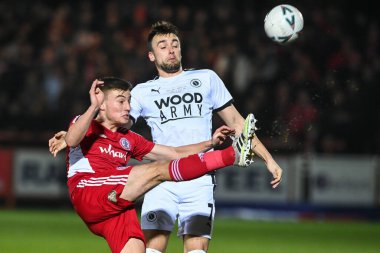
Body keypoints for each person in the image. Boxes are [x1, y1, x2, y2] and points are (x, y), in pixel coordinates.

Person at [49, 21, 283, 253]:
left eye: (175, 44)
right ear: (152, 56)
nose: (170, 49)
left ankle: (231, 156)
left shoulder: (207, 78)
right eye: (162, 45)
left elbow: (238, 122)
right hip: (161, 181)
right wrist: (73, 135)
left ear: (181, 49)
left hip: (199, 178)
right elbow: (114, 122)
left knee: (196, 251)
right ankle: (230, 156)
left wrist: (268, 158)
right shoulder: (141, 92)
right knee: (152, 249)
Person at [58, 76, 258, 253]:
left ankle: (227, 153)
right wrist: (92, 107)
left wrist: (210, 143)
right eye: (121, 101)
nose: (128, 107)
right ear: (101, 103)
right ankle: (232, 155)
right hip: (89, 191)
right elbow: (73, 140)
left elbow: (174, 153)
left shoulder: (130, 139)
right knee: (155, 171)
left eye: (129, 101)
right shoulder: (86, 123)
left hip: (115, 206)